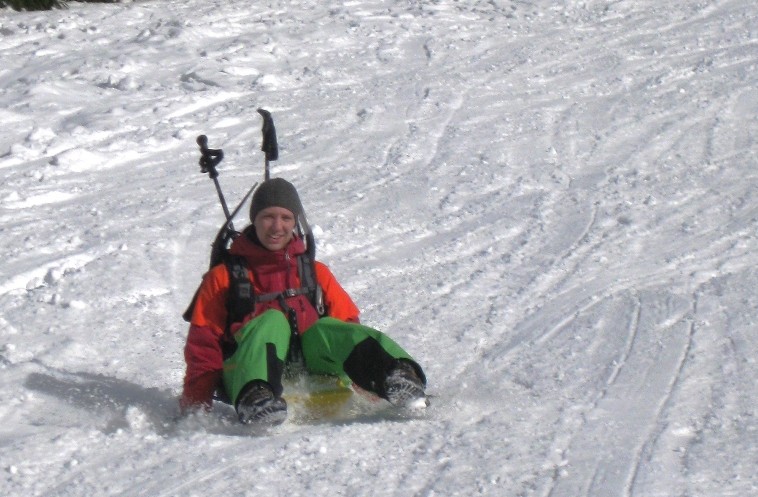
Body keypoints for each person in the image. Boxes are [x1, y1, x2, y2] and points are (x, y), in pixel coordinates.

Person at [180, 178, 427, 424]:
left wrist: (361, 381)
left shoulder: (315, 272)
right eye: (268, 216)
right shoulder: (223, 277)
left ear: (295, 222)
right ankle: (256, 397)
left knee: (325, 327)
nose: (277, 226)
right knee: (272, 321)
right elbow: (203, 347)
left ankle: (396, 376)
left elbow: (346, 330)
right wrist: (195, 407)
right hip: (244, 373)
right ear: (254, 220)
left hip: (312, 368)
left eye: (286, 218)